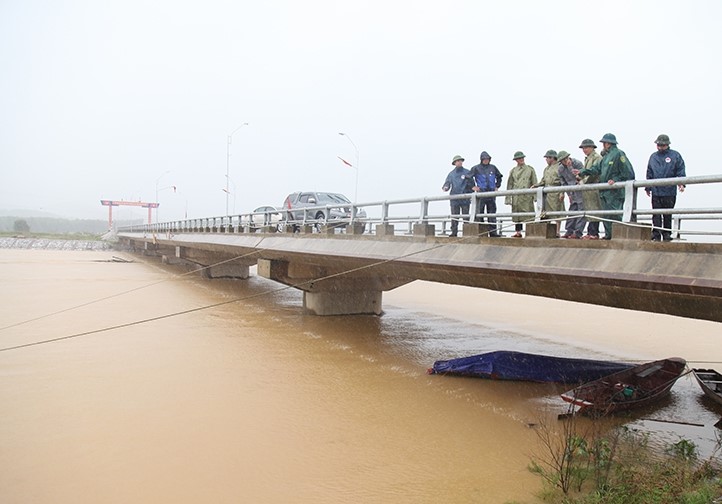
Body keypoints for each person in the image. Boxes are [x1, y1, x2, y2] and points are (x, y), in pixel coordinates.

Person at [578, 133, 634, 240]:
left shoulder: (618, 154)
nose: (603, 145)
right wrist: (583, 171)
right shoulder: (605, 157)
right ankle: (609, 235)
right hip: (604, 191)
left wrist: (616, 179)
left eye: (604, 143)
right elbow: (596, 169)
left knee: (615, 214)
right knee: (606, 214)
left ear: (608, 143)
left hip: (615, 191)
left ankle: (617, 235)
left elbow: (628, 172)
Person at [645, 134, 686, 242]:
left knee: (667, 213)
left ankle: (667, 233)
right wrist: (648, 187)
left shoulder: (675, 155)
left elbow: (680, 170)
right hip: (656, 190)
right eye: (658, 145)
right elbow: (649, 172)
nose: (660, 147)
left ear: (667, 145)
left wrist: (681, 183)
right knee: (656, 214)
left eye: (662, 145)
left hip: (669, 190)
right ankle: (656, 234)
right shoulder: (653, 157)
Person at [469, 151, 503, 237]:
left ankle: (493, 232)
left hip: (491, 193)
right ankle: (481, 231)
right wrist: (473, 186)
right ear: (481, 159)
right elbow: (468, 177)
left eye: (487, 159)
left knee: (492, 213)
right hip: (481, 193)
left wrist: (497, 186)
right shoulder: (476, 168)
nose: (486, 160)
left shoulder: (493, 168)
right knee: (480, 213)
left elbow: (499, 176)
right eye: (484, 159)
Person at [504, 151, 538, 238]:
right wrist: (508, 198)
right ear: (516, 160)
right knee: (517, 215)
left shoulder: (530, 169)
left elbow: (534, 183)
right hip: (516, 196)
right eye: (519, 158)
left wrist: (535, 196)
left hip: (526, 196)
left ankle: (530, 232)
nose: (521, 160)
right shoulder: (513, 171)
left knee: (528, 214)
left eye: (522, 158)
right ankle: (518, 232)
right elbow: (510, 184)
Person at [535, 149, 564, 237]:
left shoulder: (560, 167)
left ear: (552, 158)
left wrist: (562, 192)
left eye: (547, 158)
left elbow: (563, 181)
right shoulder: (546, 169)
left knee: (557, 212)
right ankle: (547, 232)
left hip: (556, 191)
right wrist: (536, 185)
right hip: (547, 192)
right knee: (545, 213)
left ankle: (558, 231)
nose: (546, 160)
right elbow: (543, 180)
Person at [442, 155, 472, 237]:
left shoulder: (467, 172)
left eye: (461, 161)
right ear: (454, 163)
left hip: (465, 198)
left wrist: (470, 192)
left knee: (466, 217)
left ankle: (467, 233)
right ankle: (454, 232)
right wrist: (445, 187)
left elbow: (472, 184)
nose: (459, 162)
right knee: (455, 216)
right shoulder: (451, 174)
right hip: (454, 198)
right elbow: (447, 183)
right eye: (458, 161)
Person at [557, 151, 585, 239]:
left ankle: (578, 232)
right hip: (571, 191)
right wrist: (568, 194)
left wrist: (570, 167)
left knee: (581, 210)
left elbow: (581, 176)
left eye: (566, 159)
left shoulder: (577, 163)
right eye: (563, 160)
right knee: (572, 210)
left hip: (580, 190)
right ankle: (569, 230)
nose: (565, 161)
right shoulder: (560, 169)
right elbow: (563, 182)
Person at [578, 138, 603, 239]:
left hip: (593, 187)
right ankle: (590, 232)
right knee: (589, 210)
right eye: (583, 148)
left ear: (592, 147)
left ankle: (594, 233)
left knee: (594, 209)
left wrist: (582, 182)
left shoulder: (596, 157)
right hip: (588, 189)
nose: (584, 149)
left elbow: (594, 173)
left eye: (586, 147)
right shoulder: (587, 158)